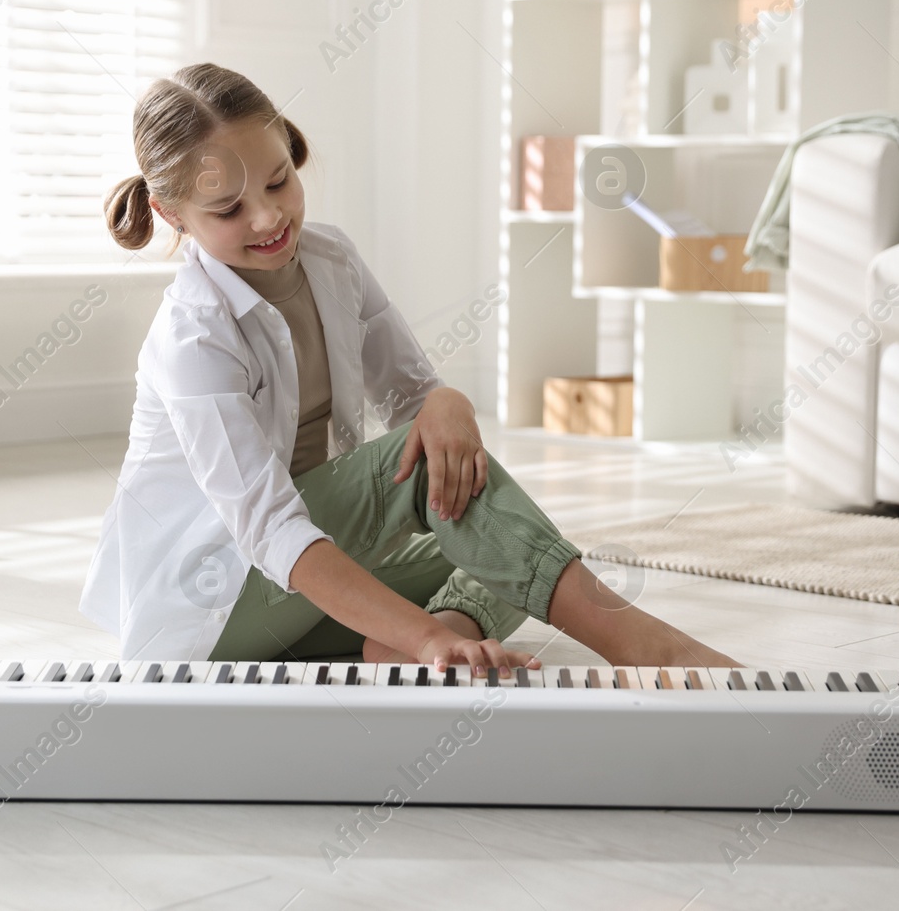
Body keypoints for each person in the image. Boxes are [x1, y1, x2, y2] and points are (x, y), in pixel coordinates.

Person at [79, 63, 739, 674]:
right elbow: (271, 527)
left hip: (298, 599)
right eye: (227, 211)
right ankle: (650, 648)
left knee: (510, 545)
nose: (269, 216)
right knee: (453, 493)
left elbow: (414, 399)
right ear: (171, 214)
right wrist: (423, 628)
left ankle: (412, 642)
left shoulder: (330, 258)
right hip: (216, 605)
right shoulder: (192, 335)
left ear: (289, 146)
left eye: (279, 180)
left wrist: (448, 402)